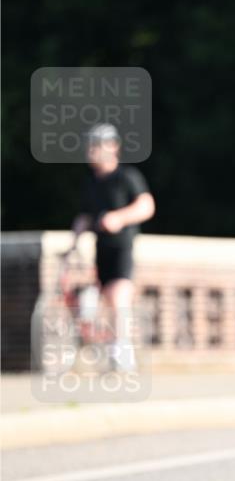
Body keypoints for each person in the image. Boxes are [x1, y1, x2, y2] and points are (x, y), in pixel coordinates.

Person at [70, 123, 155, 372]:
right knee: (101, 302)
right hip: (101, 250)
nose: (92, 151)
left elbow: (146, 206)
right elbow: (85, 217)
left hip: (122, 248)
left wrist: (119, 218)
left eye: (97, 145)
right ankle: (108, 350)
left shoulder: (127, 177)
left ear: (113, 147)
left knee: (119, 298)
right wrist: (73, 243)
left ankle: (122, 354)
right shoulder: (92, 183)